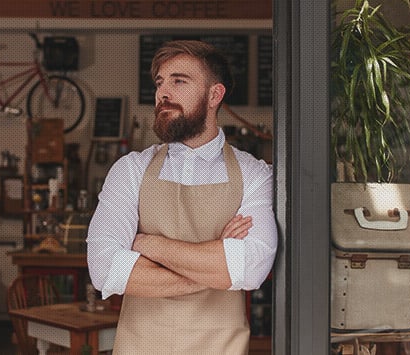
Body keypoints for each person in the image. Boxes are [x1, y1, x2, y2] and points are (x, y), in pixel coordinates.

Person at [87, 40, 277, 354]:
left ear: (215, 95)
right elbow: (105, 269)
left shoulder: (255, 174)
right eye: (160, 82)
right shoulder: (130, 169)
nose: (163, 92)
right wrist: (218, 267)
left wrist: (147, 244)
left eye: (179, 81)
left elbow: (251, 269)